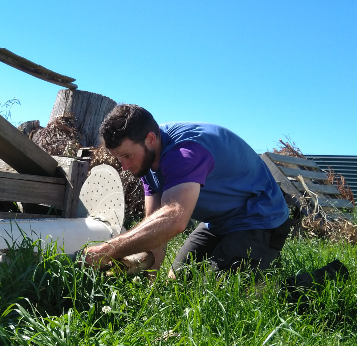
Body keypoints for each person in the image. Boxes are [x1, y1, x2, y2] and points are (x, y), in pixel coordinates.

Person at [85, 104, 291, 279]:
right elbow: (155, 228)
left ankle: (275, 283)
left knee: (215, 294)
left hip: (259, 218)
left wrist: (108, 250)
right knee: (177, 282)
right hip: (219, 222)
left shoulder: (184, 153)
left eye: (127, 156)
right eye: (119, 158)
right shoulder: (145, 160)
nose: (124, 166)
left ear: (150, 139)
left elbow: (174, 220)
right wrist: (149, 286)